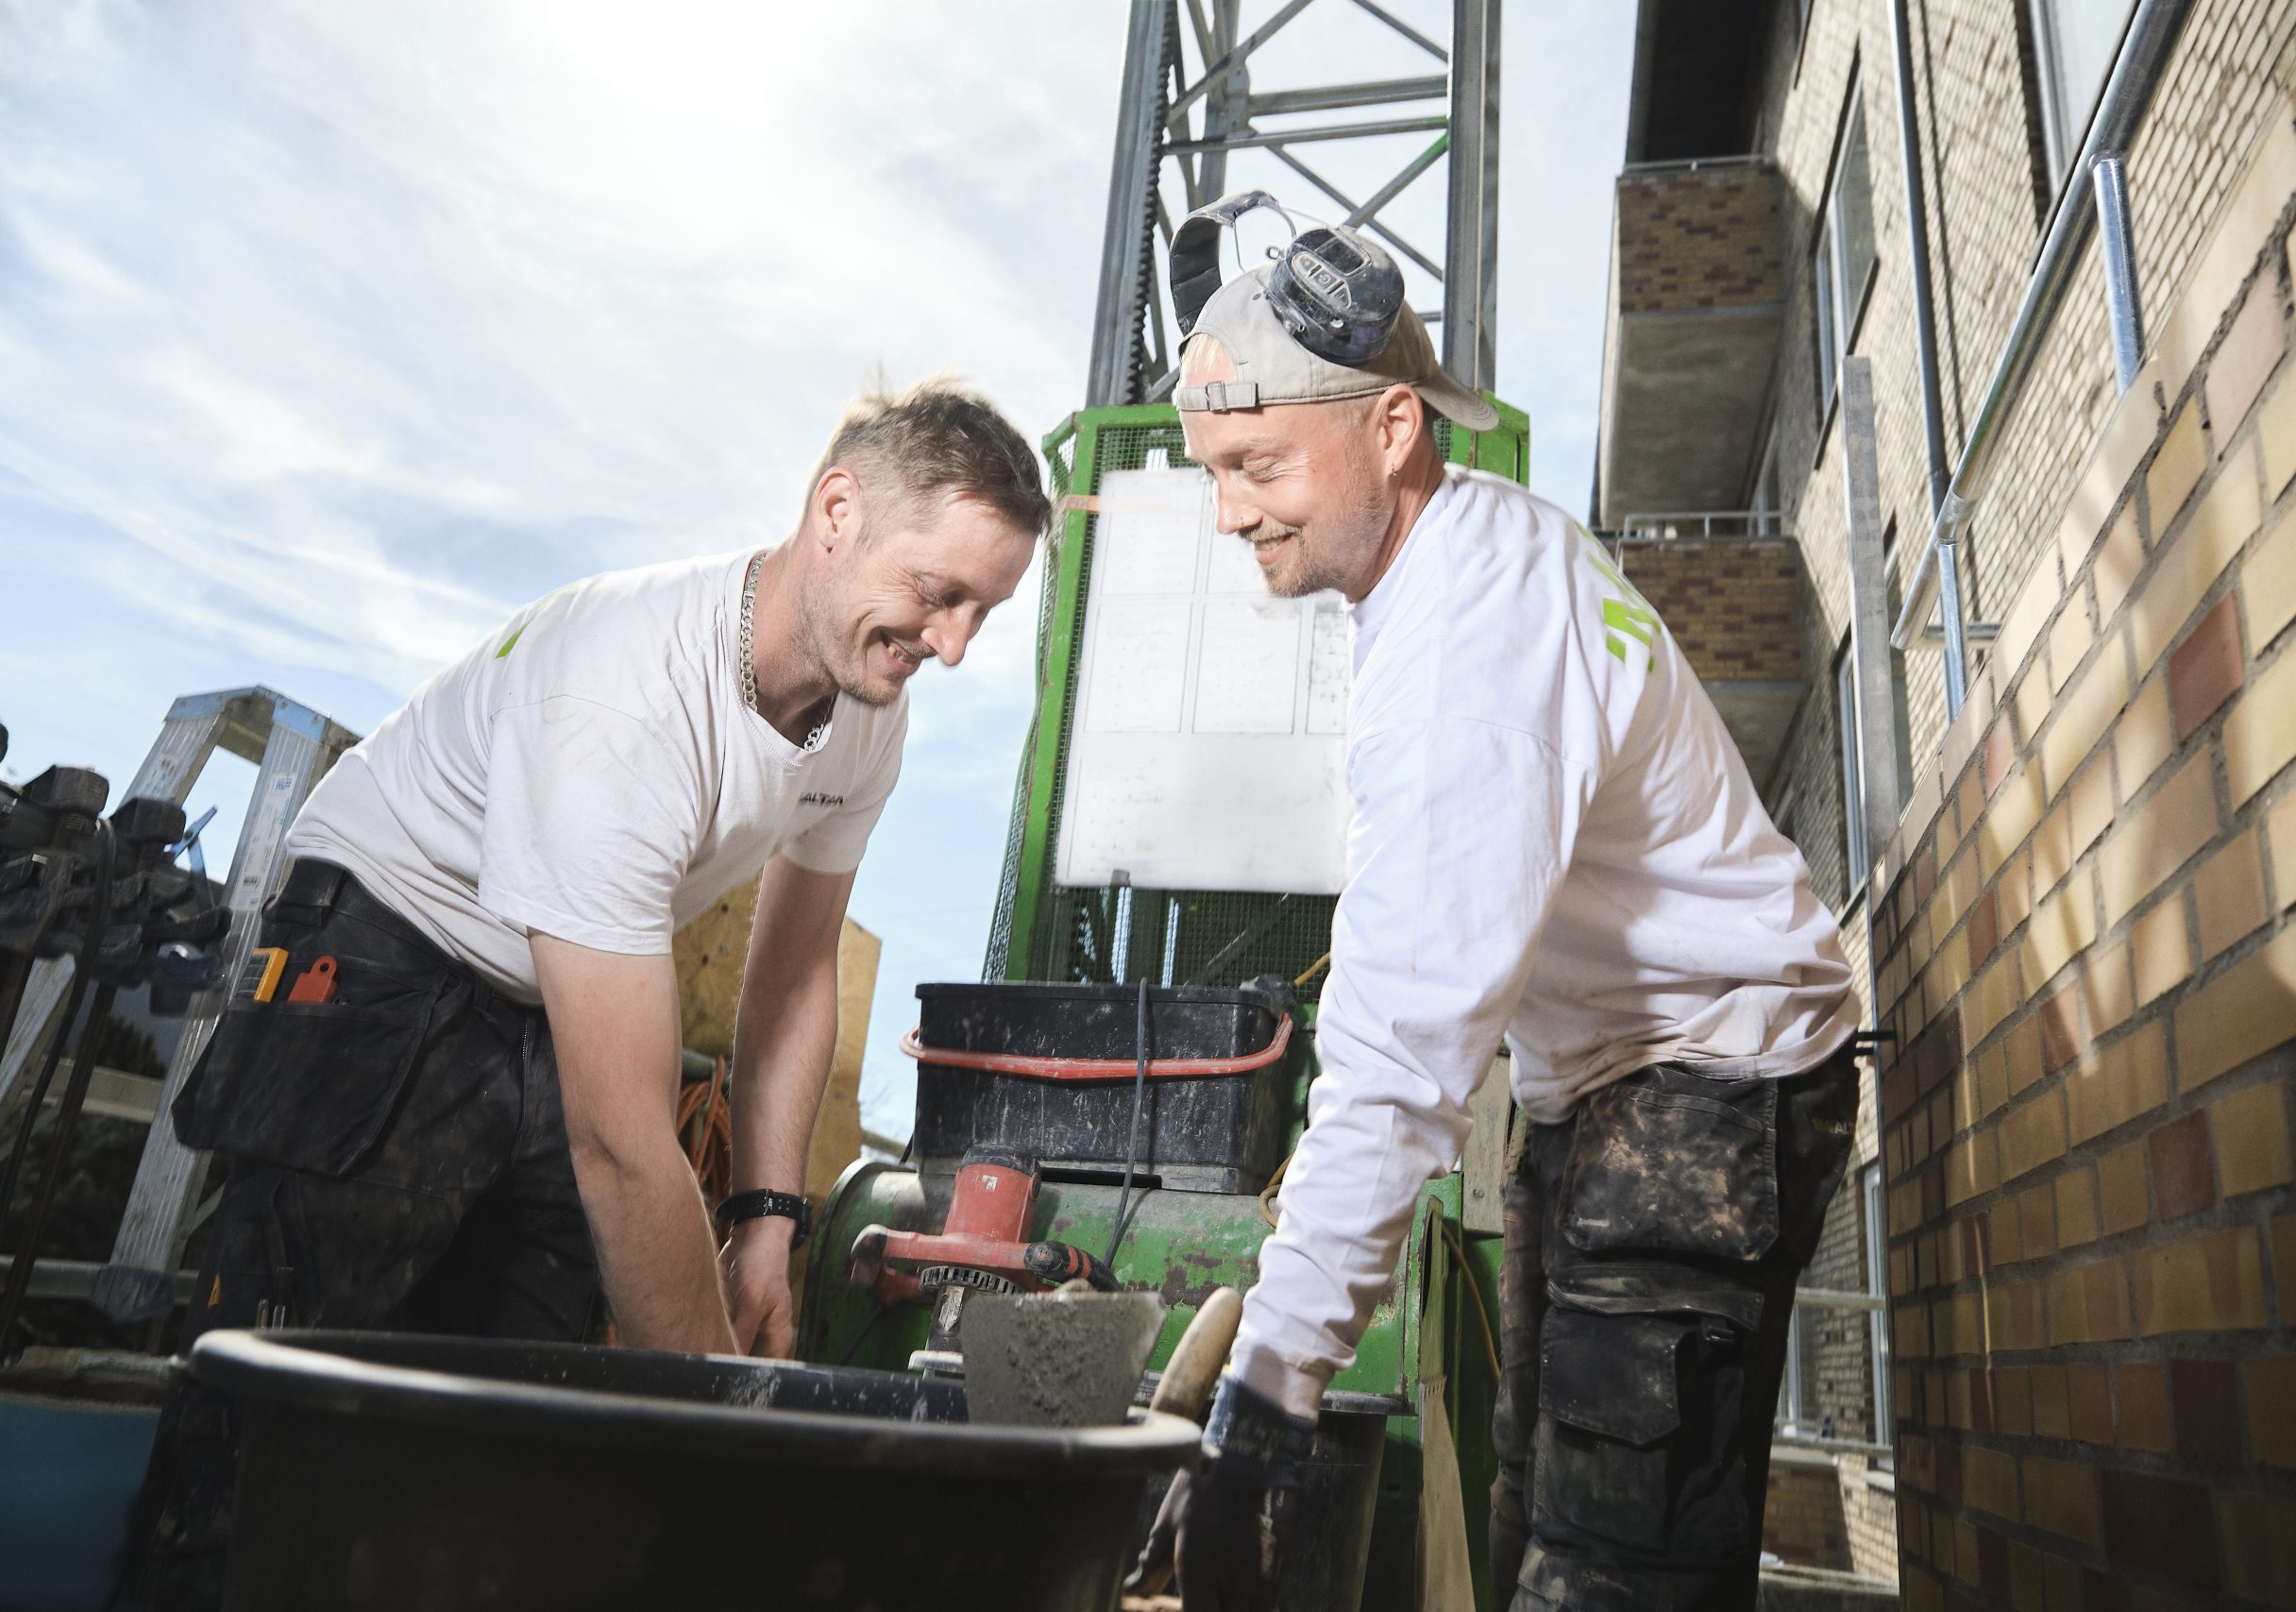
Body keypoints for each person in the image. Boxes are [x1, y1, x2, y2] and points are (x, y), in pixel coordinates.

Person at [1128, 236, 1860, 1611]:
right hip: (1613, 1072)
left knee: (1607, 1575)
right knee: (1538, 1513)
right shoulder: (1452, 566)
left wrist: (1269, 1384)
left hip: (1712, 1075)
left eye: (1259, 467)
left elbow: (1405, 1046)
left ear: (1391, 425)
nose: (1229, 516)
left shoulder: (1472, 637)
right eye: (1214, 473)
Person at [171, 376, 1047, 1358]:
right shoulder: (624, 696)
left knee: (527, 1396)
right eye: (939, 594)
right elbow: (624, 1154)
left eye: (984, 611)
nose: (954, 646)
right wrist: (730, 1425)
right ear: (837, 512)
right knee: (296, 1391)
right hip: (385, 952)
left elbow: (796, 969)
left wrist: (765, 1223)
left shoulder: (869, 714)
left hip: (552, 991)